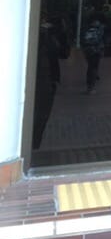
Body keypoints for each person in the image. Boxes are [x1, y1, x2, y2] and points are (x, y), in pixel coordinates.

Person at [33, 11, 70, 149]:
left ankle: (34, 146)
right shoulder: (38, 35)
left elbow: (64, 53)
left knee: (42, 117)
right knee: (38, 116)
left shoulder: (50, 36)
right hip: (38, 80)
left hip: (48, 80)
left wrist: (62, 34)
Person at [81, 14, 105, 94]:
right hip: (96, 50)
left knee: (90, 67)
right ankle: (91, 87)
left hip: (88, 50)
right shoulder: (100, 27)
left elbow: (82, 38)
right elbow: (101, 38)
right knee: (94, 68)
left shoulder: (86, 27)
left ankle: (89, 86)